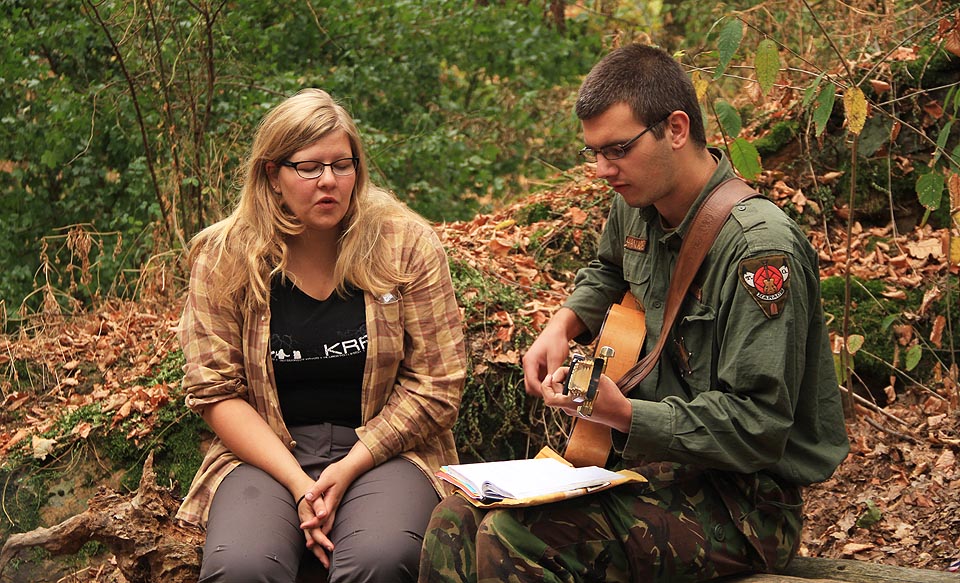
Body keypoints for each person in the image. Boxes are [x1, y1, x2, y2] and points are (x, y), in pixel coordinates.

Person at [418, 44, 849, 583]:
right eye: (593, 152)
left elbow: (758, 427)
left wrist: (623, 414)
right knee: (454, 519)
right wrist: (564, 323)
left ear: (675, 128)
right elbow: (607, 271)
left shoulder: (759, 251)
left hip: (745, 504)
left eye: (617, 149)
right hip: (651, 472)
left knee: (519, 538)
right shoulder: (636, 206)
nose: (602, 170)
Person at [176, 88, 467, 583]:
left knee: (378, 558)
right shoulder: (223, 257)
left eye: (342, 165)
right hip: (267, 453)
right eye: (308, 167)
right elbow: (215, 390)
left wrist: (349, 466)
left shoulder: (405, 245)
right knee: (241, 568)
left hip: (385, 448)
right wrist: (299, 483)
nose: (328, 181)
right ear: (272, 174)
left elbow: (439, 383)